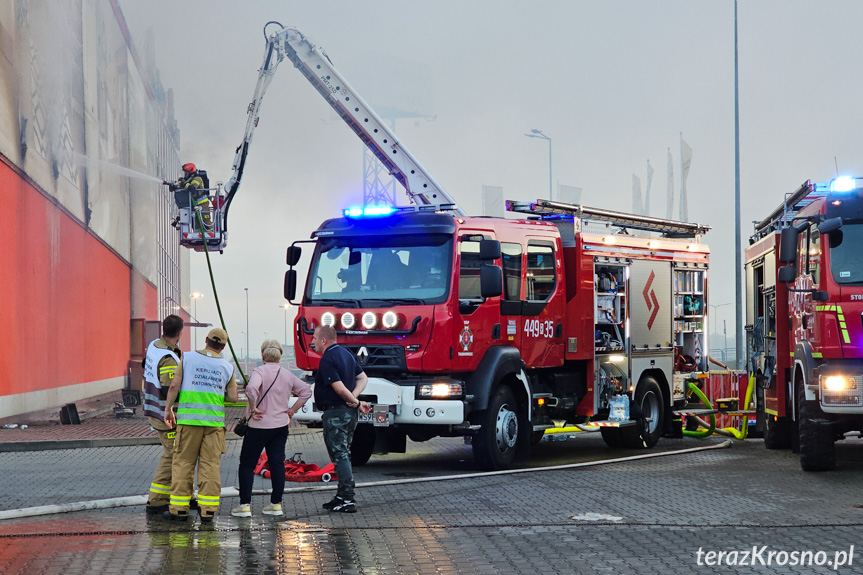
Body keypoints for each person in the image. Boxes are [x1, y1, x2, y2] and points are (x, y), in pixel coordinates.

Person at [163, 328, 238, 522]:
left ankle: (179, 509)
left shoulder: (187, 358)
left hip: (188, 423)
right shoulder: (227, 367)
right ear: (222, 346)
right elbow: (233, 397)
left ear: (206, 340)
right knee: (210, 465)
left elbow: (174, 386)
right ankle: (208, 511)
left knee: (183, 463)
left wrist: (168, 409)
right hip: (213, 424)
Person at [231, 339, 312, 518]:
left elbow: (251, 388)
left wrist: (253, 407)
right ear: (280, 356)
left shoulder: (259, 371)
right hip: (280, 426)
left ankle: (245, 505)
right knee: (277, 464)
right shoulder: (287, 374)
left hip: (258, 426)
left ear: (262, 355)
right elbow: (306, 392)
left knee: (247, 464)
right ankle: (275, 504)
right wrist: (292, 410)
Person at [310, 325, 372, 513]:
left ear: (323, 340)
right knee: (344, 453)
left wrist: (354, 400)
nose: (312, 342)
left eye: (314, 338)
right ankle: (341, 496)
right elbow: (363, 378)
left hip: (336, 414)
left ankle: (347, 498)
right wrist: (355, 399)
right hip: (348, 413)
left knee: (340, 455)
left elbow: (337, 388)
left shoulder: (328, 358)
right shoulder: (346, 354)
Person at [142, 314, 183, 515]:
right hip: (165, 415)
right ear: (180, 333)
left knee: (176, 454)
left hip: (153, 408)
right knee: (172, 455)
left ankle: (183, 495)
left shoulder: (154, 346)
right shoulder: (168, 358)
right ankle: (156, 500)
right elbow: (169, 389)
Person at [168, 162, 211, 229]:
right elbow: (180, 186)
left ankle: (210, 235)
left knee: (206, 223)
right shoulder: (188, 180)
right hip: (194, 205)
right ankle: (199, 237)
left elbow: (192, 188)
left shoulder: (197, 179)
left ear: (190, 172)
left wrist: (183, 182)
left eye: (186, 172)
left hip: (202, 204)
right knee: (196, 225)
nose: (185, 174)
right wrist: (174, 186)